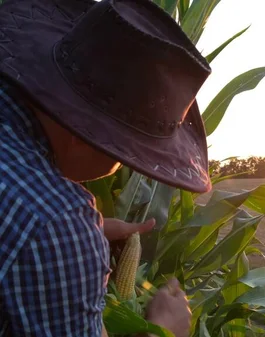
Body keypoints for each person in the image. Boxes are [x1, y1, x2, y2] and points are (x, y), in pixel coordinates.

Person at [0, 0, 212, 336]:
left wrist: (74, 239)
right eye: (129, 154)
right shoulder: (57, 221)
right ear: (87, 134)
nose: (128, 165)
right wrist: (163, 331)